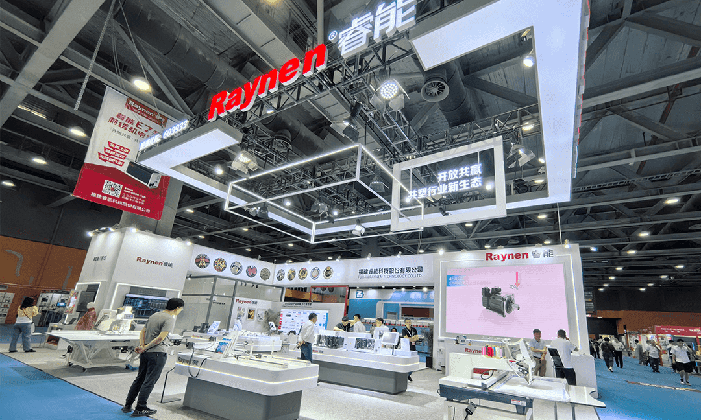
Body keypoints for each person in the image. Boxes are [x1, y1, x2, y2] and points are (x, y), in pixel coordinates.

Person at [122, 298, 184, 417]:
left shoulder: (154, 315)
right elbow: (160, 338)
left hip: (146, 353)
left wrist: (142, 346)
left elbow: (142, 332)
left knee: (139, 379)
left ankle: (127, 405)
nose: (180, 311)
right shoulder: (170, 319)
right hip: (157, 353)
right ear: (177, 308)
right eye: (180, 309)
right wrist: (145, 347)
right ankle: (140, 408)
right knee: (149, 381)